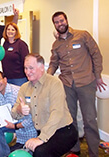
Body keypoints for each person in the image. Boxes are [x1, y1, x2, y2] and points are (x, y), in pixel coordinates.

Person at [47, 11, 106, 157]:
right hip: (67, 85)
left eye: (61, 21)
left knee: (90, 120)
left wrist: (98, 75)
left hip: (86, 82)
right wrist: (46, 78)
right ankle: (75, 149)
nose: (60, 24)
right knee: (70, 119)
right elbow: (53, 64)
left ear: (66, 20)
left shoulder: (83, 35)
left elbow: (96, 54)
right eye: (56, 22)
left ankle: (93, 153)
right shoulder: (56, 44)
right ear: (54, 25)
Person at [12, 53, 78, 157]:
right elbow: (14, 114)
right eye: (25, 68)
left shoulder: (54, 83)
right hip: (42, 132)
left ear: (42, 68)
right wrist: (19, 110)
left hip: (63, 131)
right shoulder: (24, 88)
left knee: (40, 152)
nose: (27, 72)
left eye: (31, 68)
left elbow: (57, 113)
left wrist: (41, 138)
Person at [0, 70, 37, 157]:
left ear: (5, 80)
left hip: (27, 129)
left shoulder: (18, 92)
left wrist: (15, 126)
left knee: (25, 153)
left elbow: (32, 119)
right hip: (12, 124)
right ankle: (2, 155)